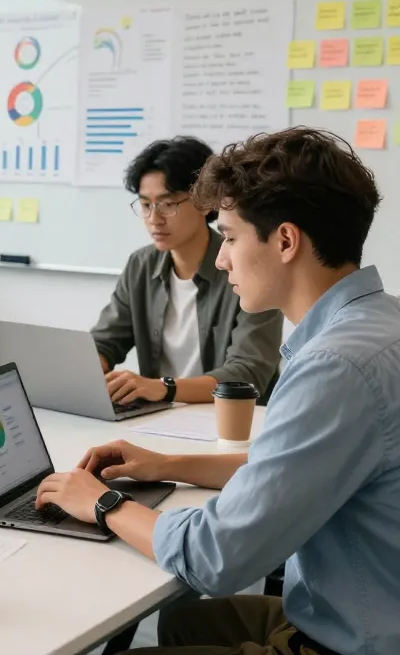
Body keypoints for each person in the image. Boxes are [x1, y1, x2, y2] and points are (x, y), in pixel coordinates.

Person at [35, 127, 400, 654]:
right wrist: (164, 465)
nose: (222, 257)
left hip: (352, 639)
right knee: (182, 628)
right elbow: (283, 467)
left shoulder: (335, 366)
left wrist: (105, 503)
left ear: (285, 241)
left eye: (228, 236)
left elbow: (215, 558)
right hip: (364, 603)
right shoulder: (377, 322)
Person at [91, 136, 282, 406]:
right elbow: (106, 341)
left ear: (204, 201)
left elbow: (248, 374)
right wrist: (91, 367)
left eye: (168, 204)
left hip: (235, 425)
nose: (154, 219)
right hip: (159, 419)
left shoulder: (249, 266)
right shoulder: (141, 266)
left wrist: (164, 388)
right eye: (146, 205)